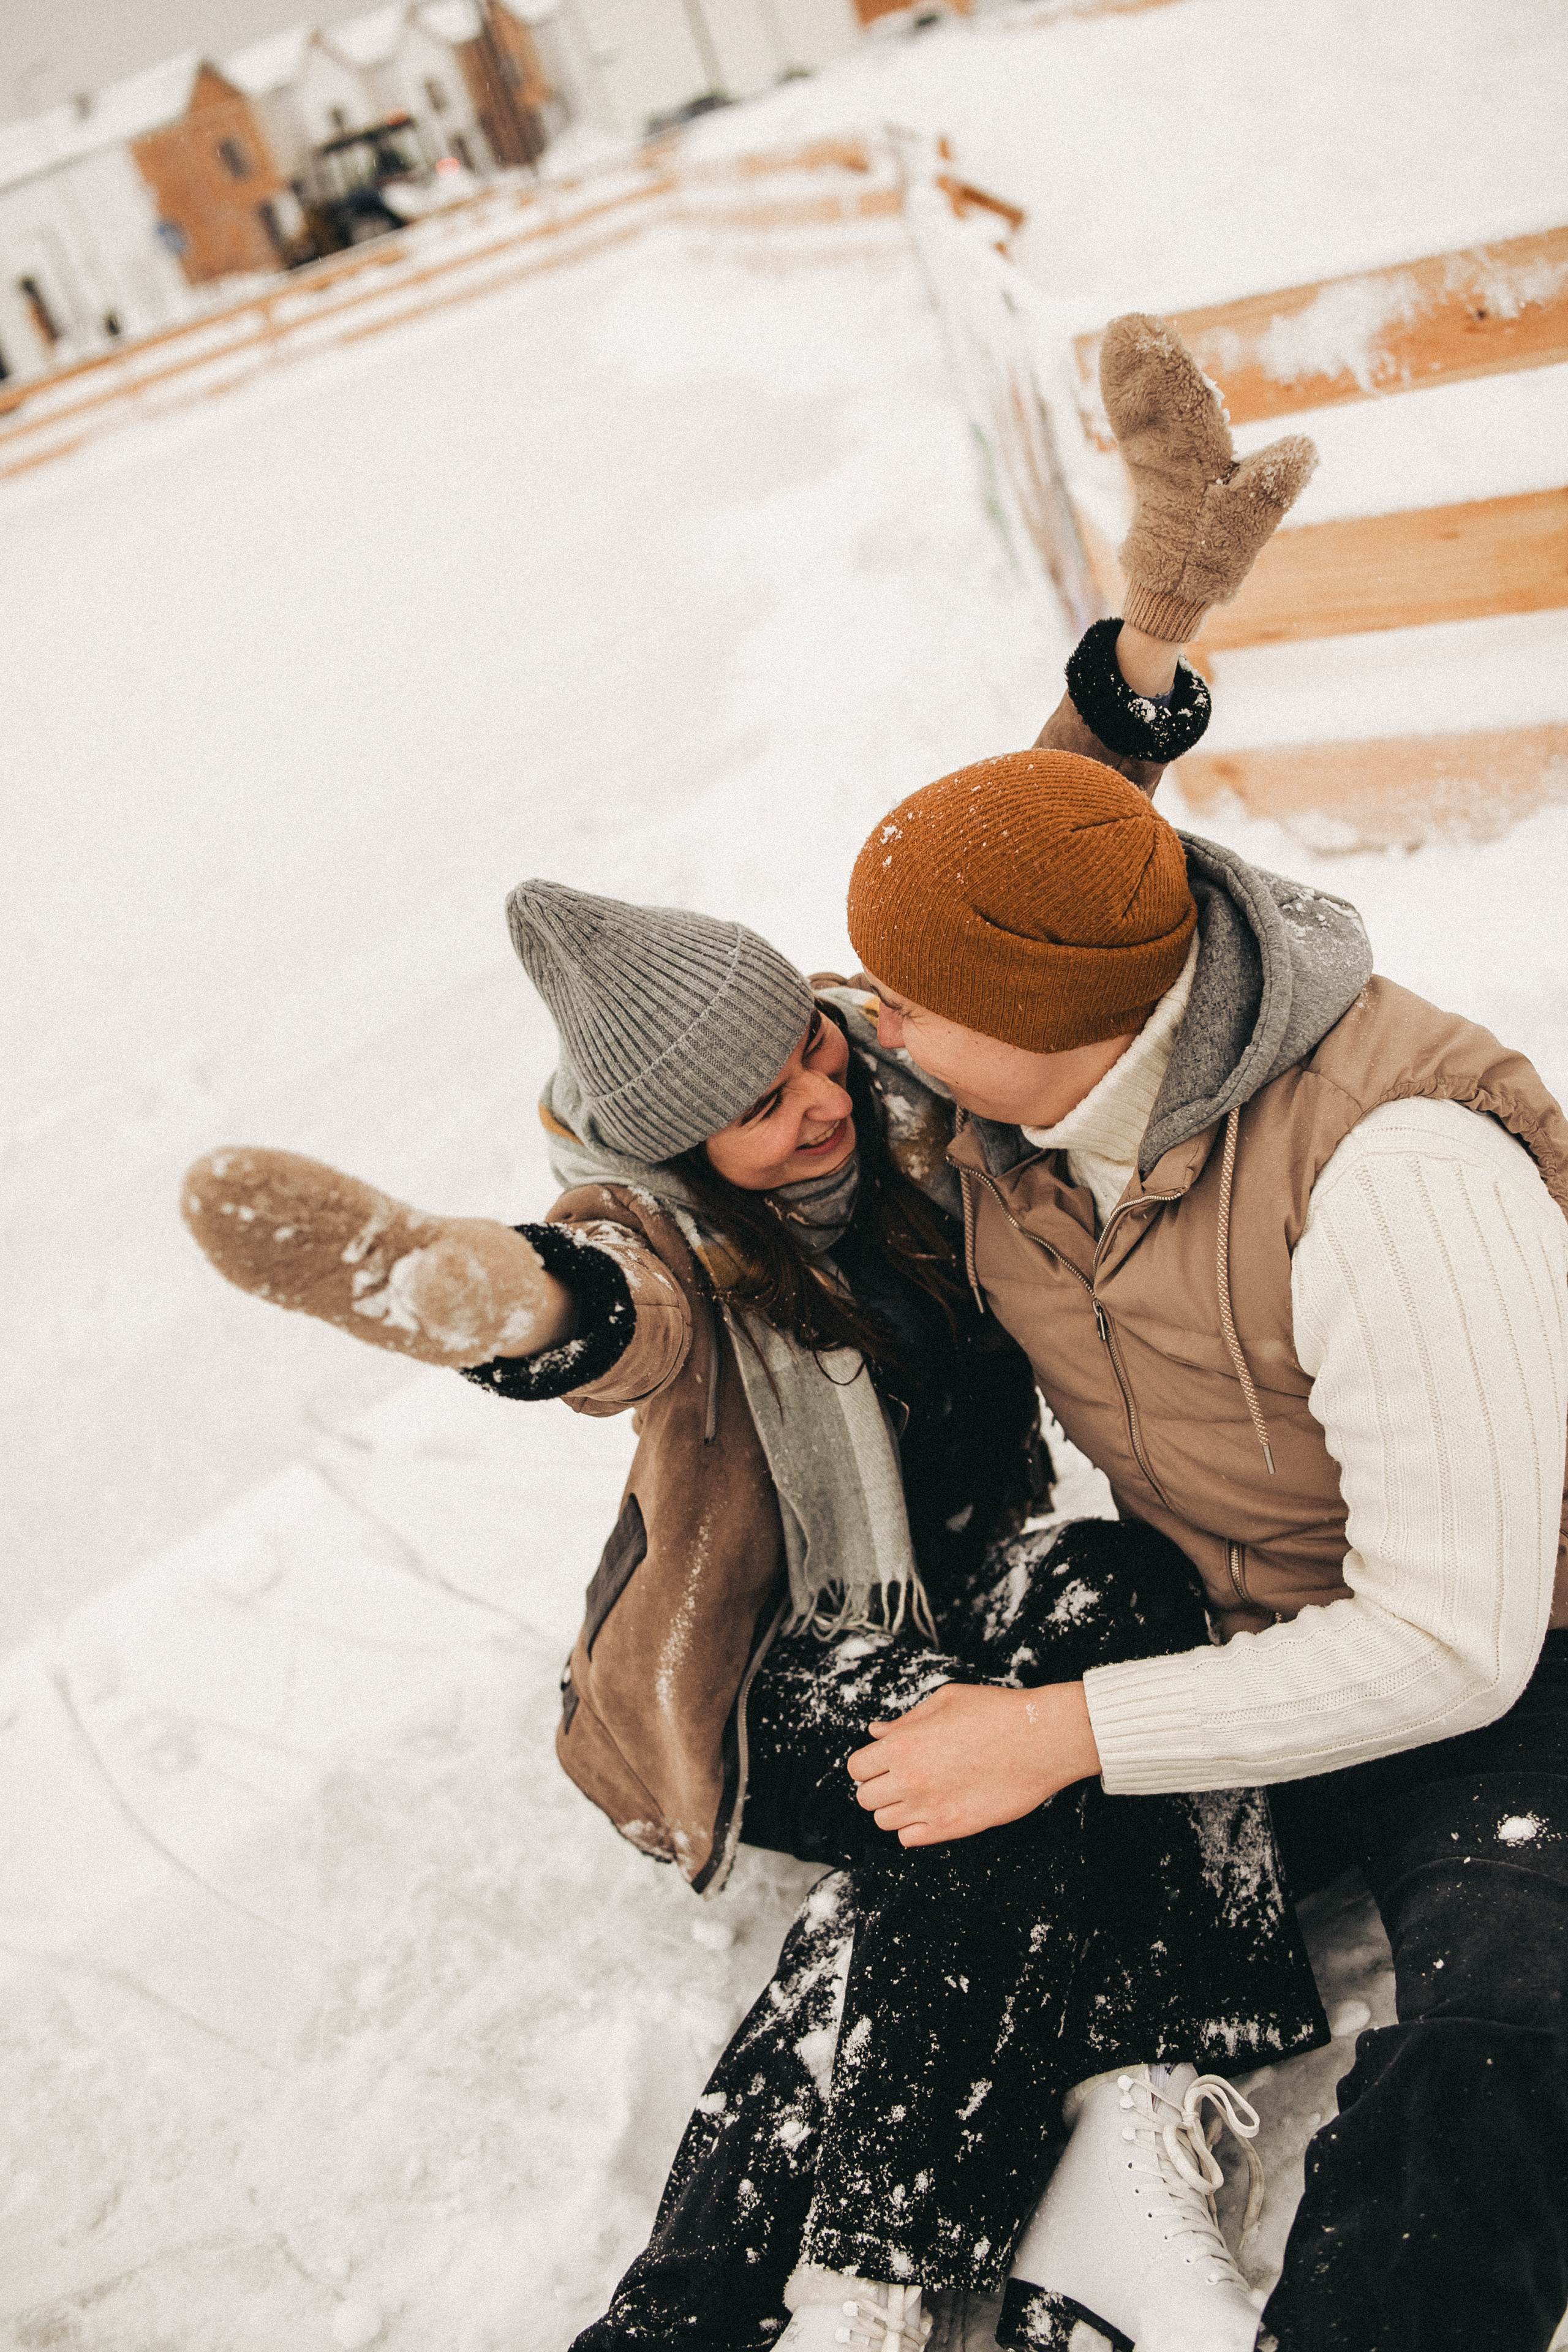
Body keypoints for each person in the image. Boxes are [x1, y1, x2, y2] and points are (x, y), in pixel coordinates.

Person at [180, 706, 1327, 2348]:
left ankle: (1106, 2085)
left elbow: (1006, 882)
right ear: (675, 1154)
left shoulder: (910, 1085)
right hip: (764, 1682)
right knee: (970, 1764)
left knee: (1108, 1599)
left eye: (805, 1046)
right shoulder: (672, 1242)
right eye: (754, 1101)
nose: (814, 1098)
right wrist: (492, 1298)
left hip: (953, 1605)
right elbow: (605, 1307)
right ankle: (870, 2284)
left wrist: (1132, 680)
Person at [831, 314, 1568, 2352]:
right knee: (917, 1895)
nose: (865, 1033)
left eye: (901, 1006)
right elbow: (1042, 865)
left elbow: (1451, 1643)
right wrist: (1139, 657)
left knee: (1515, 2012)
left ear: (1057, 1026)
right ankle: (806, 2289)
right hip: (1237, 1611)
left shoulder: (1394, 1171)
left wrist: (1064, 1736)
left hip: (1520, 1651)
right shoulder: (1011, 1074)